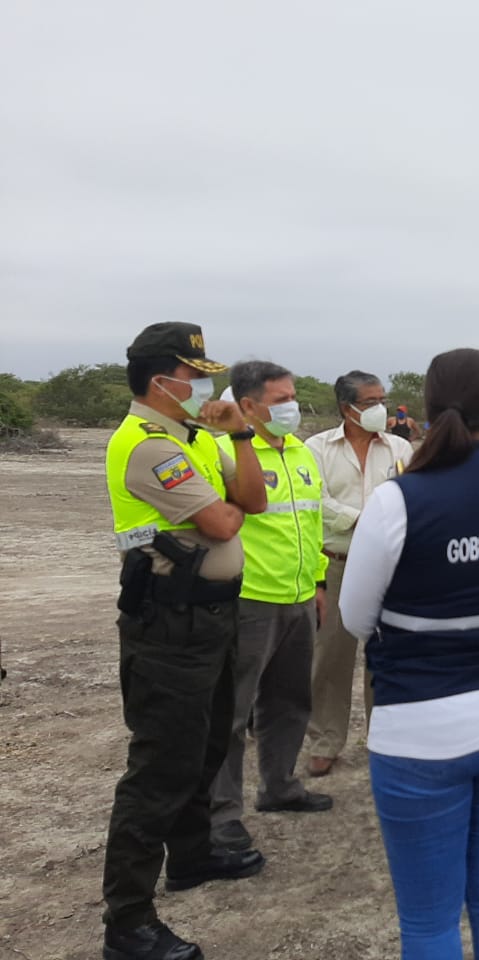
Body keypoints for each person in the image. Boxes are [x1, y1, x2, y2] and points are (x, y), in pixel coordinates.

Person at [339, 348, 479, 960]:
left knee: (429, 920)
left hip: (424, 726)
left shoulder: (399, 499)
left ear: (431, 411)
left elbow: (356, 618)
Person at [102, 323, 268, 960]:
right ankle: (128, 922)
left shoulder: (191, 439)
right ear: (160, 381)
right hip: (168, 625)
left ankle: (193, 856)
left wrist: (241, 435)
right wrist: (228, 504)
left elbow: (252, 499)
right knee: (160, 767)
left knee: (208, 741)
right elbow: (224, 521)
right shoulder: (147, 445)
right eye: (194, 377)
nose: (205, 388)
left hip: (210, 616)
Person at [208, 361, 334, 857]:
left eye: (292, 397)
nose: (291, 407)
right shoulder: (225, 452)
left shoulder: (301, 452)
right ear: (248, 405)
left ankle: (279, 786)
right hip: (250, 599)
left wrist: (318, 582)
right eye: (281, 400)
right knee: (233, 712)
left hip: (299, 595)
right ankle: (222, 816)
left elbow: (312, 522)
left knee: (290, 702)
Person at [304, 371, 414, 776]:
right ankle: (325, 739)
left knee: (385, 654)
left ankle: (384, 738)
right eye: (370, 402)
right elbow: (316, 500)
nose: (380, 409)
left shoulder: (400, 447)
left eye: (382, 400)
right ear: (346, 407)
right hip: (337, 561)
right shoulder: (317, 449)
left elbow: (411, 493)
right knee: (330, 655)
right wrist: (367, 520)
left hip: (390, 565)